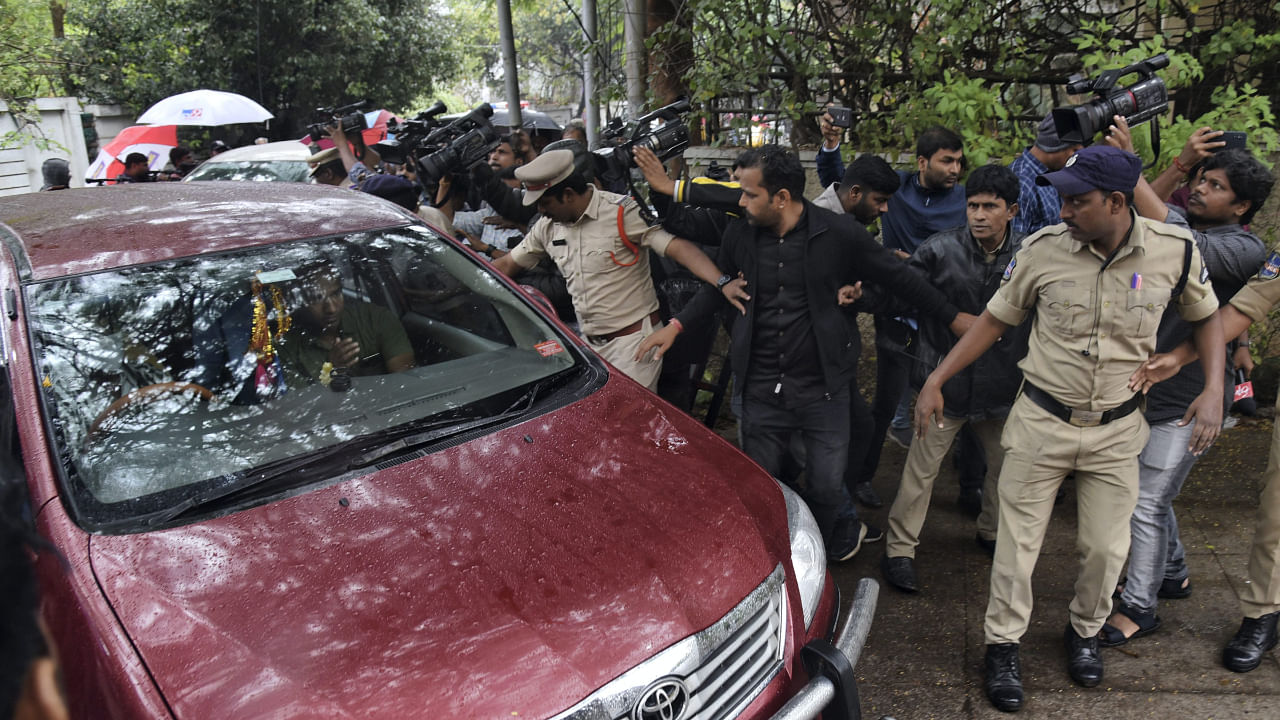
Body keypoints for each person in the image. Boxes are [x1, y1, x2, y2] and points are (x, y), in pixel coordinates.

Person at [914, 145, 1224, 712]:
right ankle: (1002, 645)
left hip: (1116, 431)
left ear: (1115, 201)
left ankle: (1083, 633)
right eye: (1061, 198)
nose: (1063, 211)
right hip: (1040, 424)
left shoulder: (1174, 252)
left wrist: (1211, 388)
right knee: (1016, 546)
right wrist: (937, 377)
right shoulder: (1041, 251)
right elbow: (993, 321)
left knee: (1106, 549)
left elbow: (1207, 318)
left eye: (1077, 201)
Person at [636, 145, 974, 562]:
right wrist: (676, 325)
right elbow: (722, 288)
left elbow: (901, 280)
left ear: (781, 198)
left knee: (828, 488)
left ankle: (823, 557)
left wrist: (953, 316)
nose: (741, 201)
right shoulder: (741, 234)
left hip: (823, 392)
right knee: (763, 485)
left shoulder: (839, 234)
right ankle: (774, 563)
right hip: (759, 389)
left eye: (749, 194)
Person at [1100, 119, 1273, 647]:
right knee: (1156, 494)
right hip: (1149, 386)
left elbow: (1180, 239)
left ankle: (1139, 606)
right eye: (1200, 179)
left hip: (1189, 396)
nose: (1199, 187)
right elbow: (1139, 216)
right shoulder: (1181, 215)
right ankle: (1171, 571)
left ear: (1241, 206)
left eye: (1215, 185)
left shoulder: (1244, 249)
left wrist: (1130, 169)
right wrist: (1165, 167)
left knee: (1144, 503)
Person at [870, 164, 1029, 593]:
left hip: (1003, 384)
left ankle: (991, 532)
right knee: (920, 472)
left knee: (1006, 468)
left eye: (990, 207)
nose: (978, 215)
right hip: (942, 383)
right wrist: (860, 294)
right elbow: (900, 292)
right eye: (972, 205)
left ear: (1011, 210)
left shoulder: (1030, 256)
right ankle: (899, 551)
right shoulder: (940, 250)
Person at [491, 149, 726, 391]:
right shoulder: (548, 227)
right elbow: (509, 263)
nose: (540, 210)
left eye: (544, 202)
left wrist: (723, 282)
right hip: (590, 348)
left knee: (627, 420)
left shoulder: (621, 212)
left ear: (568, 194)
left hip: (634, 346)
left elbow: (677, 248)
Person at [853, 127, 972, 509]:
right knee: (887, 402)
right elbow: (841, 183)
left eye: (958, 161)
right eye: (946, 161)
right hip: (899, 320)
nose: (955, 168)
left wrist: (919, 263)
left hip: (945, 319)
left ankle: (970, 488)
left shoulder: (967, 202)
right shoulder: (897, 191)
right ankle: (861, 478)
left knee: (961, 402)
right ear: (923, 162)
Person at [278, 264, 415, 386]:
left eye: (336, 294)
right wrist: (330, 370)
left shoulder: (375, 319)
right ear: (299, 302)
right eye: (316, 298)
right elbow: (302, 406)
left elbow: (404, 382)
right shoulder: (285, 349)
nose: (331, 308)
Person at [1008, 115, 1082, 235]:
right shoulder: (1021, 183)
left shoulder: (1057, 171)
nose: (1076, 158)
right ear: (1056, 147)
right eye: (1075, 151)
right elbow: (1014, 247)